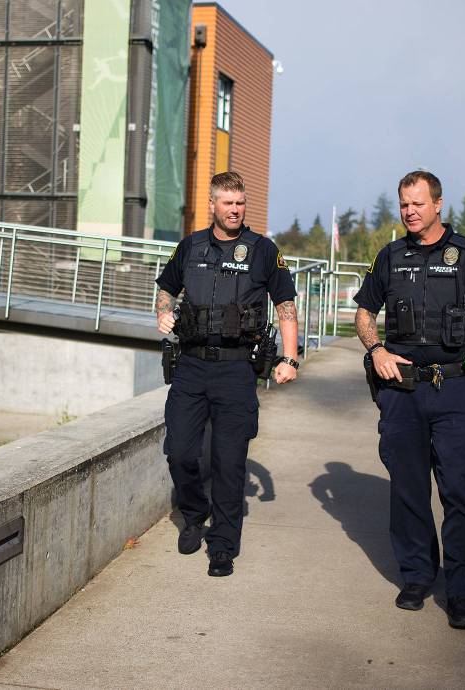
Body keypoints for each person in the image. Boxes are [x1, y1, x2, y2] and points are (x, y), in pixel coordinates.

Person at [353, 170, 465, 629]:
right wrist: (376, 348)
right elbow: (364, 313)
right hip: (402, 391)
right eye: (403, 204)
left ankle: (463, 592)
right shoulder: (391, 256)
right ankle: (417, 577)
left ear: (438, 204)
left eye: (418, 203)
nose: (410, 212)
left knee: (459, 489)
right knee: (408, 488)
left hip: (459, 390)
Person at [155, 171, 299, 577]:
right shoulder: (190, 247)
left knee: (230, 460)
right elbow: (166, 288)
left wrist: (290, 357)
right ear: (213, 204)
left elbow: (285, 303)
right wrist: (163, 312)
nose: (235, 210)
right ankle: (194, 513)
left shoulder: (263, 251)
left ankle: (223, 544)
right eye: (228, 203)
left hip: (237, 369)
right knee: (181, 452)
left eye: (240, 203)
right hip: (191, 366)